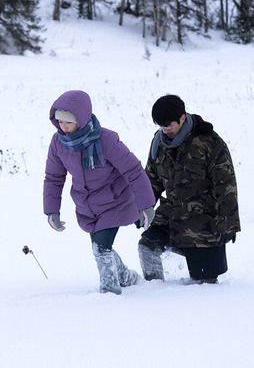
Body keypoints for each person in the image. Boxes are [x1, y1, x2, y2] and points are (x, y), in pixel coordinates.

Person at [43, 90, 156, 294]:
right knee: (100, 246)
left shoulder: (106, 140)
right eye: (60, 121)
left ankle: (109, 290)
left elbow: (134, 170)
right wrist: (52, 210)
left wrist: (146, 206)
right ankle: (125, 276)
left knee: (101, 248)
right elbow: (54, 177)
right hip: (87, 205)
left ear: (82, 118)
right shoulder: (58, 143)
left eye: (68, 122)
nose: (63, 127)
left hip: (116, 201)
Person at [138, 95, 240, 284]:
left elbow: (226, 186)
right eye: (161, 126)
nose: (164, 130)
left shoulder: (210, 143)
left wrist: (228, 223)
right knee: (147, 247)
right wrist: (143, 208)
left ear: (182, 117)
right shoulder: (159, 143)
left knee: (204, 281)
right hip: (171, 215)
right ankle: (154, 291)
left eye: (169, 125)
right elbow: (151, 179)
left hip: (203, 224)